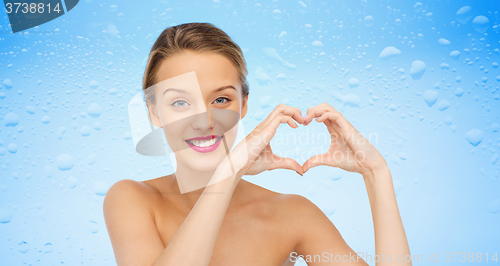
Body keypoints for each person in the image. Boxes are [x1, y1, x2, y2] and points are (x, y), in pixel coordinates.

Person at [103, 22, 412, 266]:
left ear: (244, 105)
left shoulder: (292, 214)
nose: (204, 121)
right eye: (181, 102)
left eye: (221, 99)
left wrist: (376, 173)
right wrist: (228, 173)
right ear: (154, 112)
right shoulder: (133, 200)